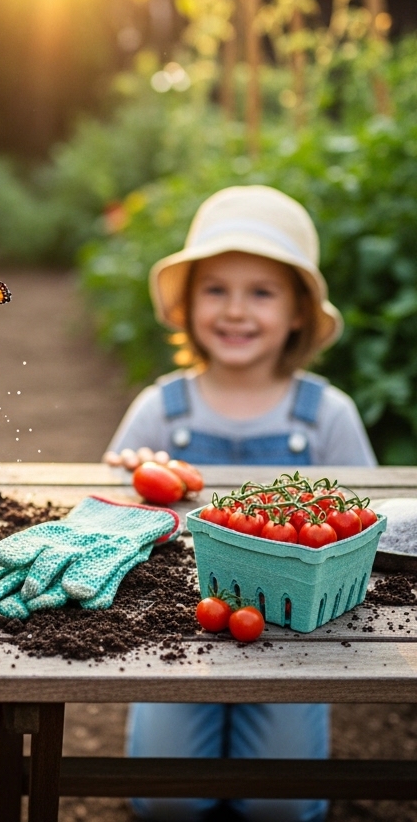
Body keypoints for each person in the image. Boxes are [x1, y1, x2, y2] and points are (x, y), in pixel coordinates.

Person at [103, 185, 376, 822]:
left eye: (262, 291)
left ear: (299, 313)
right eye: (216, 289)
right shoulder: (160, 410)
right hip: (179, 627)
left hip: (296, 639)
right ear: (191, 303)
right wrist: (134, 480)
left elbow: (364, 529)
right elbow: (112, 520)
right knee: (166, 803)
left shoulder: (326, 416)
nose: (235, 311)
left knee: (280, 808)